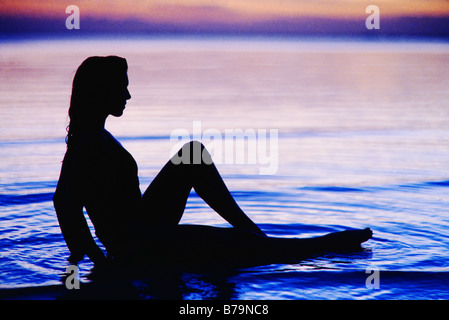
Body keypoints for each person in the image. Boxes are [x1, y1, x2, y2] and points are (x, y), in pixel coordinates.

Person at [53, 56, 372, 269]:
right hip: (138, 244)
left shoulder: (91, 136)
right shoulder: (91, 142)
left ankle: (256, 234)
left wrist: (84, 254)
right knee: (260, 251)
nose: (128, 94)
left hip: (142, 228)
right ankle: (324, 242)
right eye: (122, 86)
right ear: (102, 90)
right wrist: (98, 261)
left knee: (193, 153)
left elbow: (60, 200)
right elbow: (65, 206)